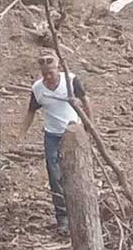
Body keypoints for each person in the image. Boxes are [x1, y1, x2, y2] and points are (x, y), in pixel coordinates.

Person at [18, 52, 92, 232]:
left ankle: (83, 211)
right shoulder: (38, 89)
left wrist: (89, 126)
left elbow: (85, 101)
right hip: (52, 135)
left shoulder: (71, 81)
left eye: (51, 72)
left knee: (78, 170)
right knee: (55, 174)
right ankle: (63, 217)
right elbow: (31, 111)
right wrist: (21, 133)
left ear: (58, 68)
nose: (48, 77)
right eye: (45, 74)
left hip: (73, 132)